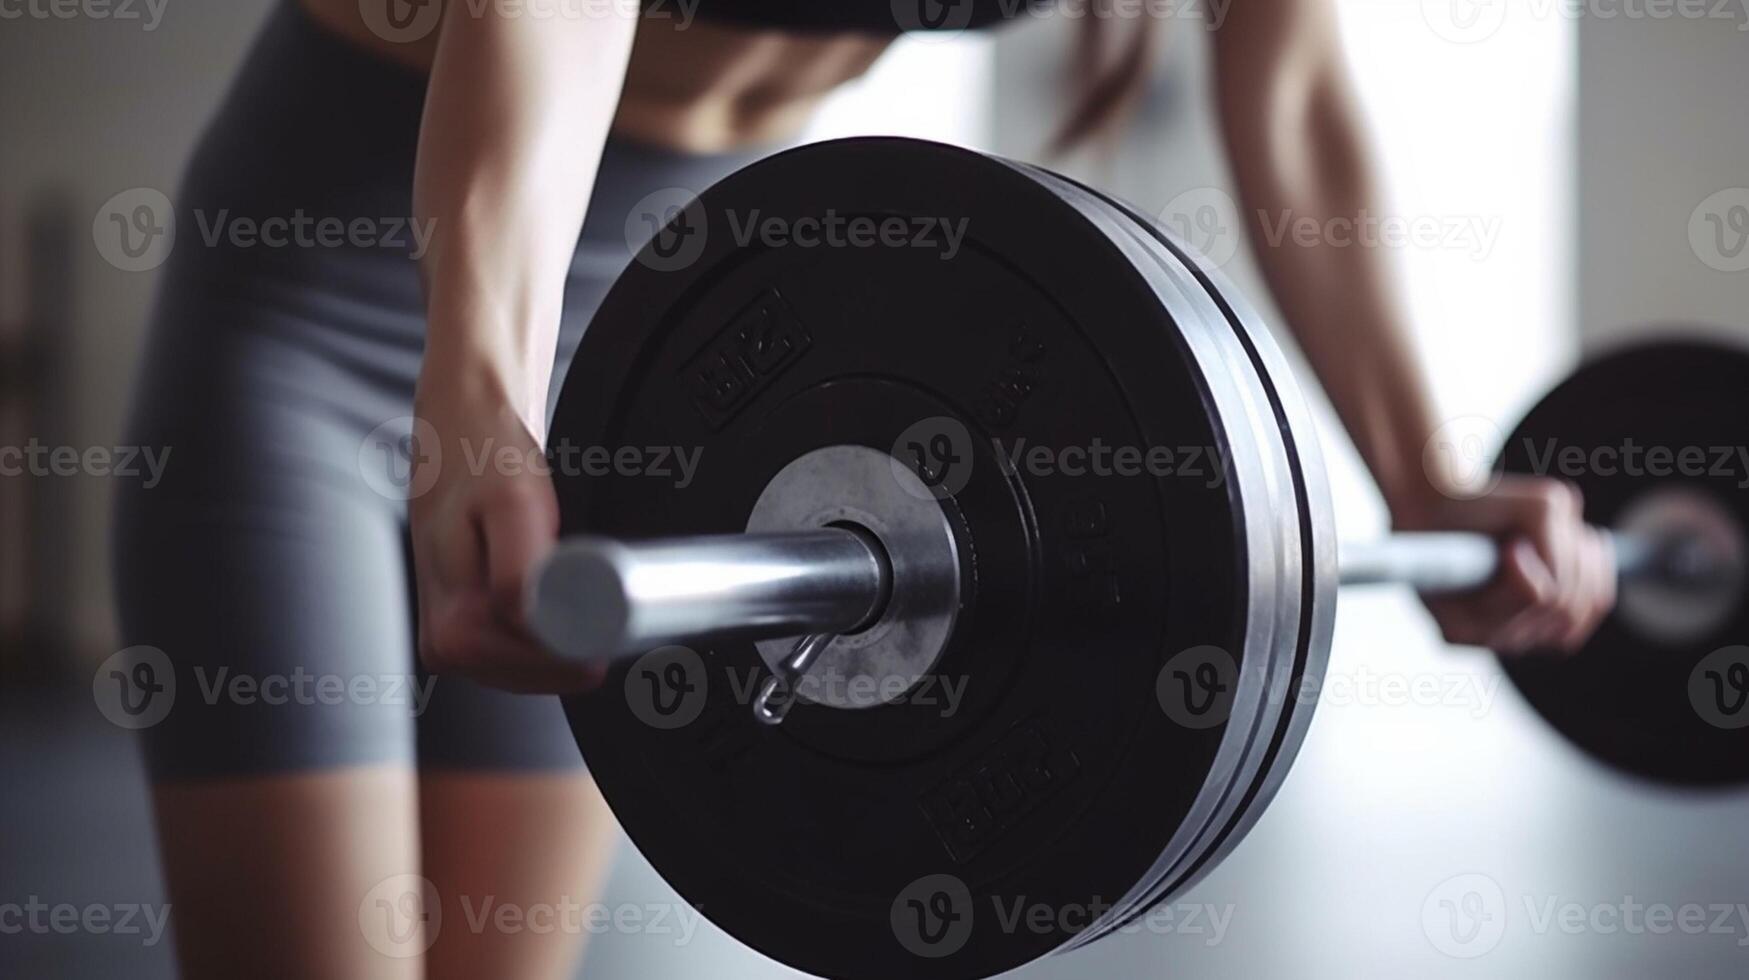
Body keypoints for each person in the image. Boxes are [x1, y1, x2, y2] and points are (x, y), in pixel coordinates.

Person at [111, 0, 1616, 976]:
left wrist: (1421, 477)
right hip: (330, 303)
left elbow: (1285, 87)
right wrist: (482, 391)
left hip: (638, 337)